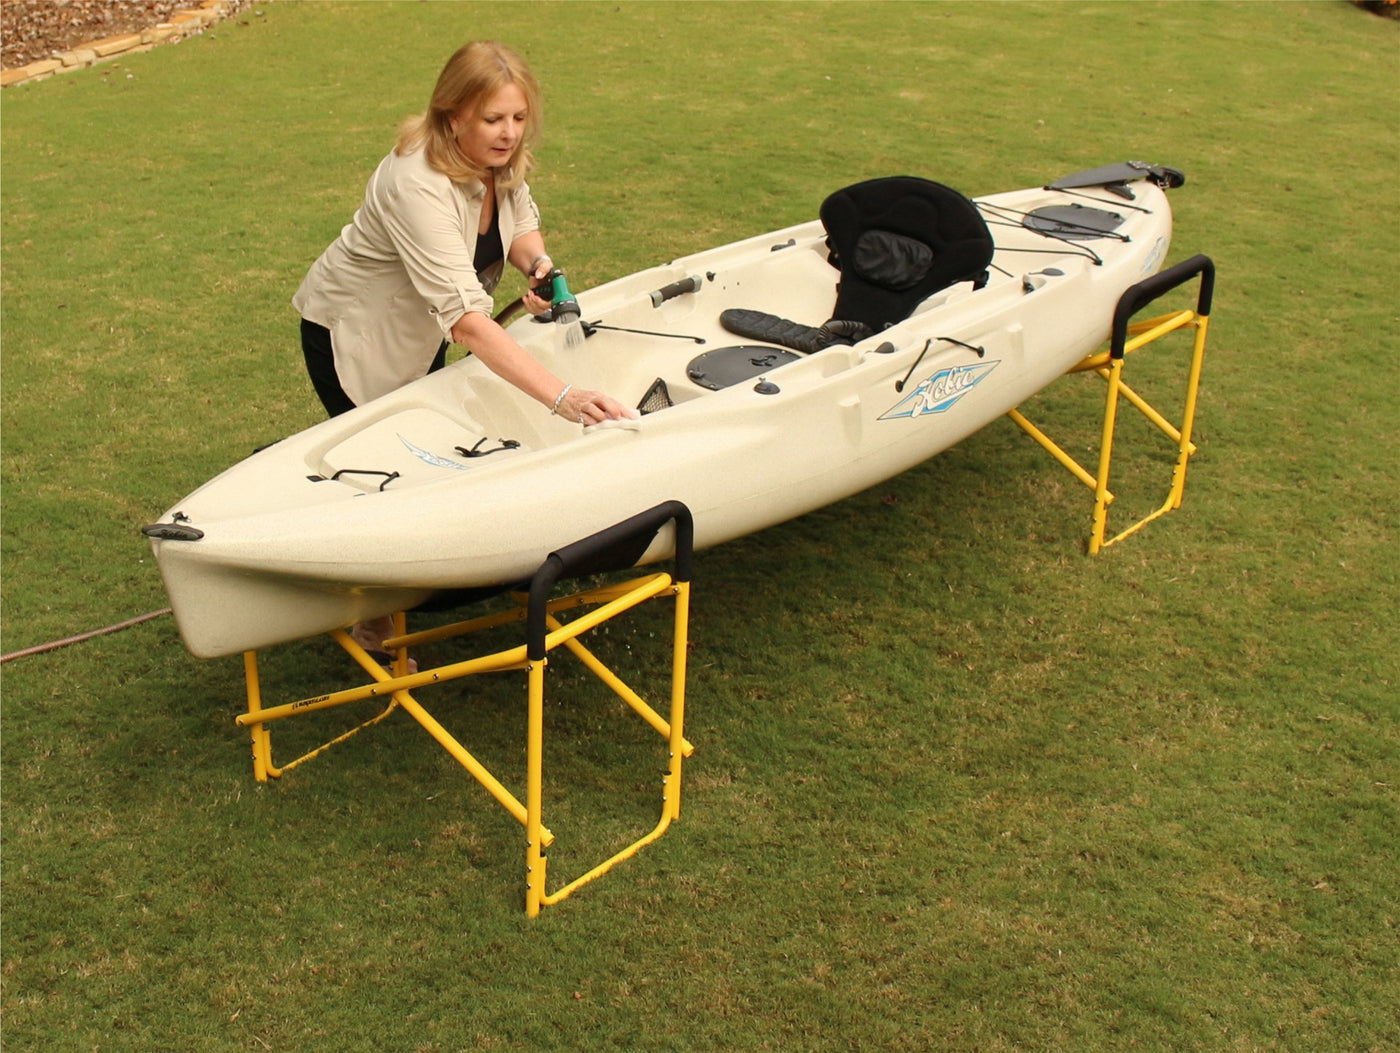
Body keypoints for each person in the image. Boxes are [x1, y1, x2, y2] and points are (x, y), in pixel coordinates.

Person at [293, 40, 635, 662]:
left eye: (518, 117)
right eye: (492, 119)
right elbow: (470, 323)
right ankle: (371, 618)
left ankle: (393, 579)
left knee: (415, 455)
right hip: (357, 334)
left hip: (421, 330)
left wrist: (538, 265)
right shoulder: (414, 183)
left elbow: (521, 223)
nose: (508, 134)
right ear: (453, 116)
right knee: (388, 472)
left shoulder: (497, 162)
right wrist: (564, 397)